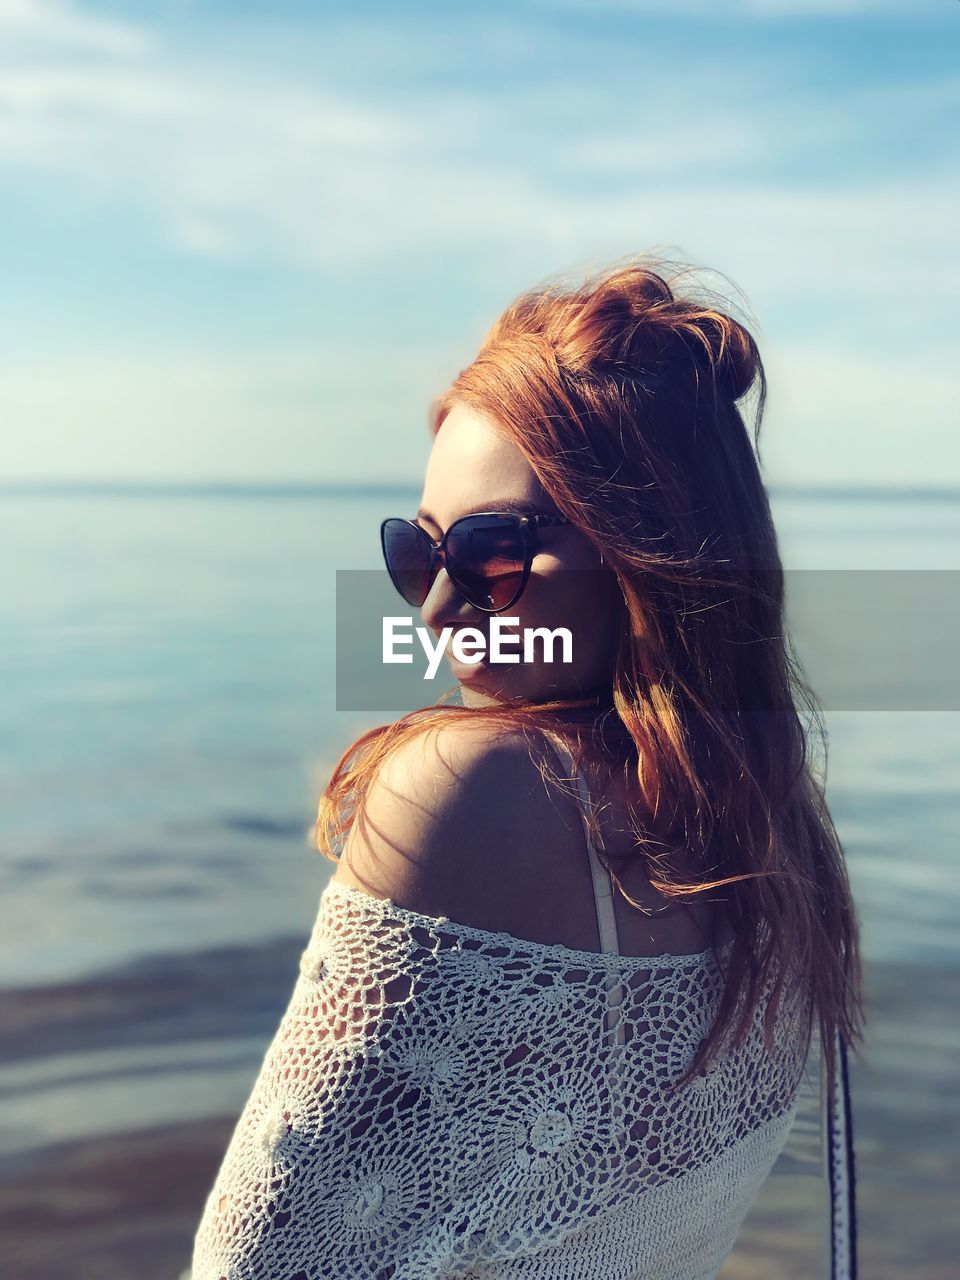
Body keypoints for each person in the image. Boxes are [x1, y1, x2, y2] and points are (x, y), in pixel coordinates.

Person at [190, 257, 865, 1279]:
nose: (434, 611)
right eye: (419, 555)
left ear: (648, 550)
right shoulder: (780, 822)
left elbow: (249, 1263)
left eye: (492, 552)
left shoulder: (472, 789)